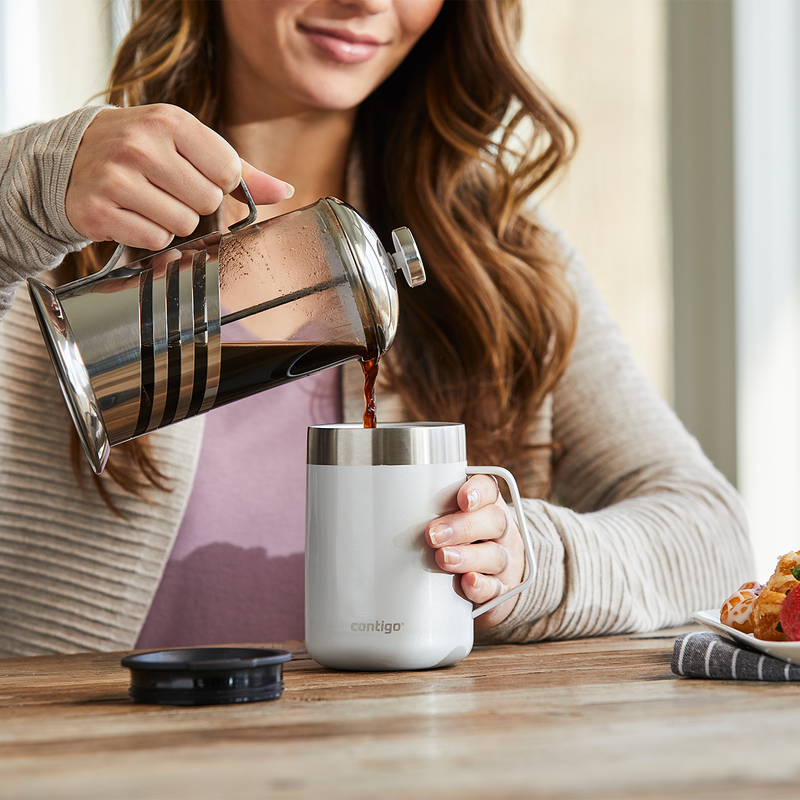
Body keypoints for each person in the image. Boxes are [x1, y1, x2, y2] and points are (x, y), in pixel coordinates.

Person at [0, 0, 753, 658]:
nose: (365, 1)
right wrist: (26, 191)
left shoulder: (498, 262)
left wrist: (530, 560)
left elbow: (711, 534)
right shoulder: (58, 225)